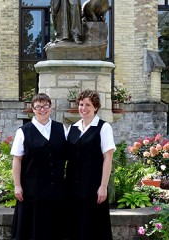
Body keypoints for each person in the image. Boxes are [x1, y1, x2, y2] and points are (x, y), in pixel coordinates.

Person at [11, 93, 68, 240]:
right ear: (33, 109)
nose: (42, 109)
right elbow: (17, 160)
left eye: (45, 106)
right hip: (32, 190)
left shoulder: (61, 129)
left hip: (56, 190)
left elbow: (71, 155)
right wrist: (17, 186)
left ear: (51, 107)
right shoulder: (23, 131)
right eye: (38, 107)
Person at [66, 89, 116, 240]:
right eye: (81, 104)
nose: (84, 108)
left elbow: (108, 158)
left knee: (93, 228)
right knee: (74, 227)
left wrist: (103, 186)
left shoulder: (103, 127)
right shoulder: (72, 128)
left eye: (88, 104)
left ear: (96, 107)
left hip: (93, 187)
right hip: (72, 187)